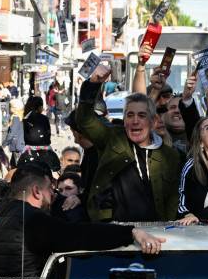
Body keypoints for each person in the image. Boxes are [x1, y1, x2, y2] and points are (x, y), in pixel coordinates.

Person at [0, 162, 166, 279]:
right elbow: (80, 235)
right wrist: (131, 232)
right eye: (50, 189)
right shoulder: (32, 219)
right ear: (37, 191)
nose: (54, 195)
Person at [76, 64, 183, 222]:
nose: (135, 121)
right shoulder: (113, 139)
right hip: (114, 231)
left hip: (155, 234)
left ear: (153, 122)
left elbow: (173, 201)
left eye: (141, 115)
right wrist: (93, 84)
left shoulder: (170, 155)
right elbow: (85, 121)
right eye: (130, 115)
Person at [17, 96, 60, 172]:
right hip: (45, 149)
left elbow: (24, 137)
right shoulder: (44, 118)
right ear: (40, 107)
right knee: (55, 169)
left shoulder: (26, 118)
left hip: (28, 149)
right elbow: (48, 135)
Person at [2, 98, 24, 167]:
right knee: (13, 163)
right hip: (20, 145)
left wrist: (4, 143)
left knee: (17, 166)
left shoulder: (15, 118)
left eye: (10, 106)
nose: (9, 108)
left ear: (14, 108)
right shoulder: (22, 116)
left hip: (16, 146)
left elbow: (11, 133)